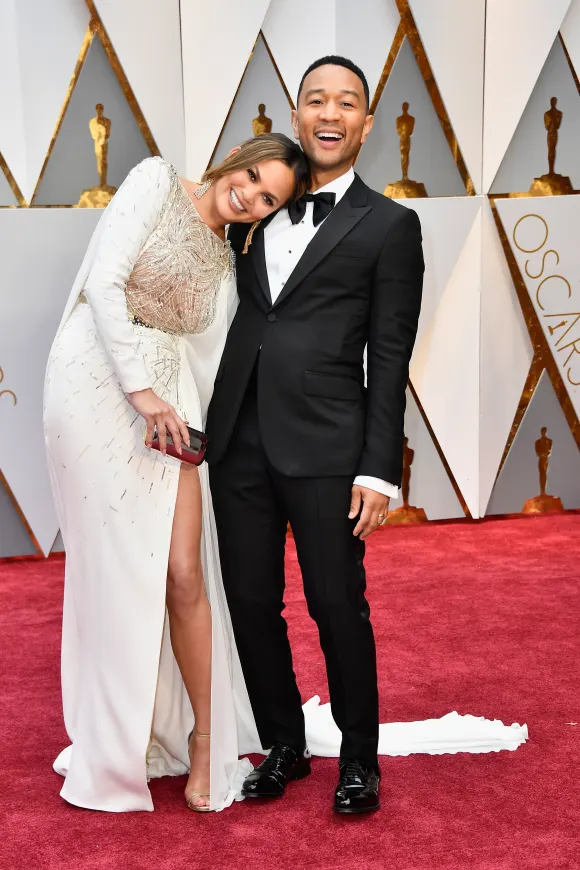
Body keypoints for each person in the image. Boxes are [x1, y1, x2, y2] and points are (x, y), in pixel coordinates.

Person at [43, 134, 309, 813]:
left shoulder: (229, 260)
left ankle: (202, 738)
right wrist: (141, 393)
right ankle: (113, 742)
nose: (249, 195)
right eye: (252, 176)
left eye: (267, 199)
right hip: (93, 381)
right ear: (237, 156)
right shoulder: (156, 180)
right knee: (111, 570)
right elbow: (103, 281)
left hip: (171, 409)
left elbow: (213, 358)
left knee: (184, 572)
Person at [207, 56, 424, 814]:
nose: (330, 113)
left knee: (336, 604)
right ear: (295, 115)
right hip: (236, 440)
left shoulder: (392, 226)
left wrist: (379, 469)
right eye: (316, 100)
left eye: (347, 102)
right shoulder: (257, 204)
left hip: (330, 449)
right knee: (249, 600)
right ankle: (284, 745)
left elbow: (390, 356)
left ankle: (359, 761)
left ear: (366, 123)